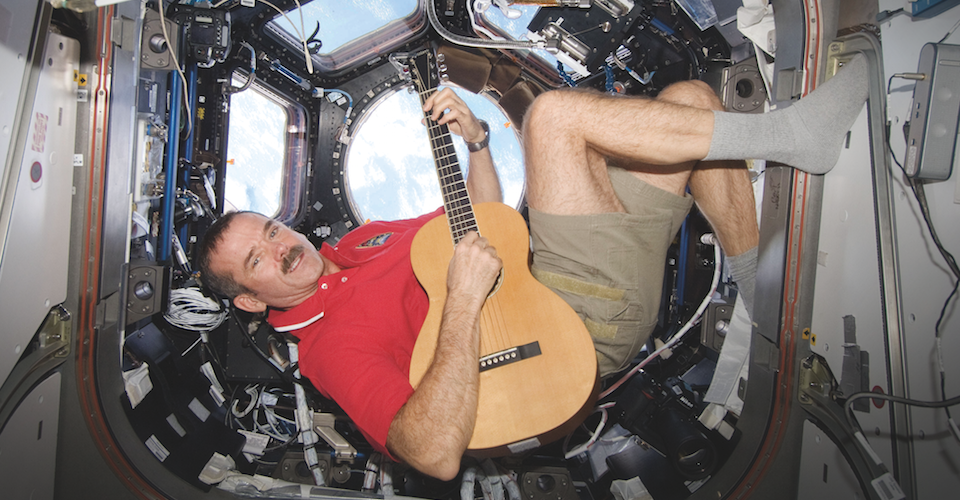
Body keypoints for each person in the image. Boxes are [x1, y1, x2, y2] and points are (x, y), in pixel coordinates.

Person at [195, 54, 869, 480]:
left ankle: (759, 298)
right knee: (548, 117)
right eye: (259, 258)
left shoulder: (363, 240)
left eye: (274, 227)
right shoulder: (326, 349)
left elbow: (479, 227)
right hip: (556, 336)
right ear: (251, 302)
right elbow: (428, 453)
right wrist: (460, 302)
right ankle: (793, 140)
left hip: (566, 287)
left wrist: (479, 141)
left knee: (691, 99)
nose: (283, 245)